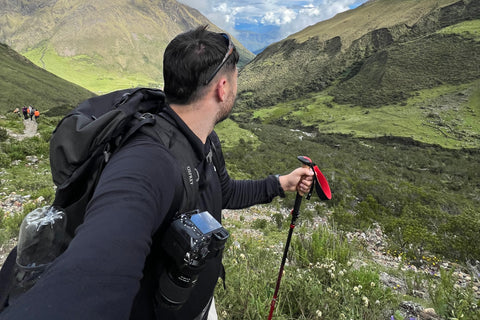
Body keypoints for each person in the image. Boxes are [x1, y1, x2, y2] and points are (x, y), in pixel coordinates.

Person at [0, 25, 313, 320]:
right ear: (222, 87)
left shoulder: (205, 139)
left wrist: (281, 183)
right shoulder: (149, 161)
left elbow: (225, 191)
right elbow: (94, 274)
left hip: (196, 303)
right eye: (236, 77)